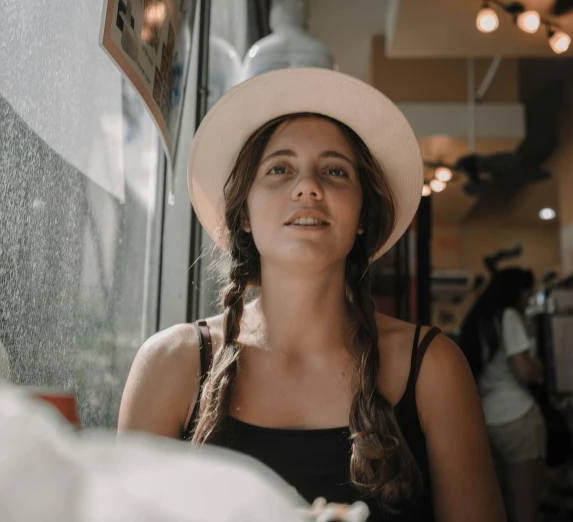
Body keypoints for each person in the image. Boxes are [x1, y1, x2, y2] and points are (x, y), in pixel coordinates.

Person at [118, 67, 504, 522]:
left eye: (335, 171)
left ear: (361, 214)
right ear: (243, 213)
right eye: (279, 169)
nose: (308, 187)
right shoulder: (171, 364)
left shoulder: (434, 369)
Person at [459, 268, 546, 522]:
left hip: (487, 421)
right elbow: (523, 370)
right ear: (517, 293)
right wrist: (537, 367)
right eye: (528, 294)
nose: (528, 301)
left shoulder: (478, 321)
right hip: (518, 417)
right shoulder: (508, 317)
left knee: (496, 510)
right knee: (524, 510)